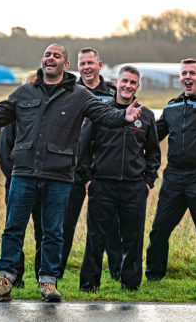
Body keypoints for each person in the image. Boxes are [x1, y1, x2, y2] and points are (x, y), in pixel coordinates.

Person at [0, 43, 142, 302]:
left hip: (58, 176)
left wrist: (124, 116)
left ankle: (48, 281)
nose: (51, 58)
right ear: (42, 61)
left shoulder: (79, 95)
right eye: (47, 54)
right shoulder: (23, 93)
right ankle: (4, 280)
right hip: (23, 173)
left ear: (65, 65)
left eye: (57, 56)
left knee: (53, 232)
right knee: (13, 229)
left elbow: (105, 115)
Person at [78, 65, 161, 291]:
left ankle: (130, 285)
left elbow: (153, 153)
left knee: (133, 240)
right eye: (124, 81)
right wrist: (87, 179)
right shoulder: (100, 112)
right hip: (102, 185)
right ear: (116, 82)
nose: (128, 86)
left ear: (137, 86)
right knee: (96, 239)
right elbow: (83, 149)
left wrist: (147, 181)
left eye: (133, 82)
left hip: (134, 188)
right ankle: (88, 285)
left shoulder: (147, 116)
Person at [59, 48, 122, 279]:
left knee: (111, 227)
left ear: (100, 65)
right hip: (72, 169)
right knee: (64, 225)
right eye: (82, 63)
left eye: (90, 63)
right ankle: (55, 274)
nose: (86, 67)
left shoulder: (114, 93)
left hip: (104, 171)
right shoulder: (69, 91)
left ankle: (118, 272)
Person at [146, 58, 196, 282]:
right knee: (159, 229)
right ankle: (153, 276)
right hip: (174, 177)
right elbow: (152, 136)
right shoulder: (172, 106)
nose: (187, 77)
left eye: (192, 73)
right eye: (184, 73)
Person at [0, 70, 42, 288]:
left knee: (45, 232)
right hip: (18, 180)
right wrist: (14, 177)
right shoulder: (13, 112)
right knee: (15, 230)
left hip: (45, 180)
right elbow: (4, 150)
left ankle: (45, 277)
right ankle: (15, 276)